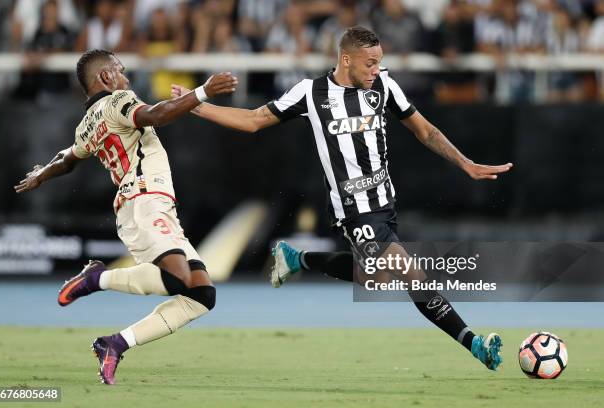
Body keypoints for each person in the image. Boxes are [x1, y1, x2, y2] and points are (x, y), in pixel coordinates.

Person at [171, 26, 513, 370]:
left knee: (373, 279)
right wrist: (195, 106)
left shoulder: (384, 86)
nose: (375, 70)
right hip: (354, 211)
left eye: (379, 62)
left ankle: (297, 259)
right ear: (346, 59)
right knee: (411, 274)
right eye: (370, 63)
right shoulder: (311, 92)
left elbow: (425, 131)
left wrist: (465, 163)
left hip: (385, 202)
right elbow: (254, 120)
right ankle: (475, 343)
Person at [14, 49, 237, 385]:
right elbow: (158, 114)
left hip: (146, 204)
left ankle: (115, 344)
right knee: (177, 278)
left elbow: (69, 158)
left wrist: (42, 174)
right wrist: (203, 91)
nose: (126, 77)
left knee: (202, 296)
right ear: (105, 78)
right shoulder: (119, 100)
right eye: (120, 70)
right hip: (144, 199)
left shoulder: (86, 126)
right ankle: (97, 279)